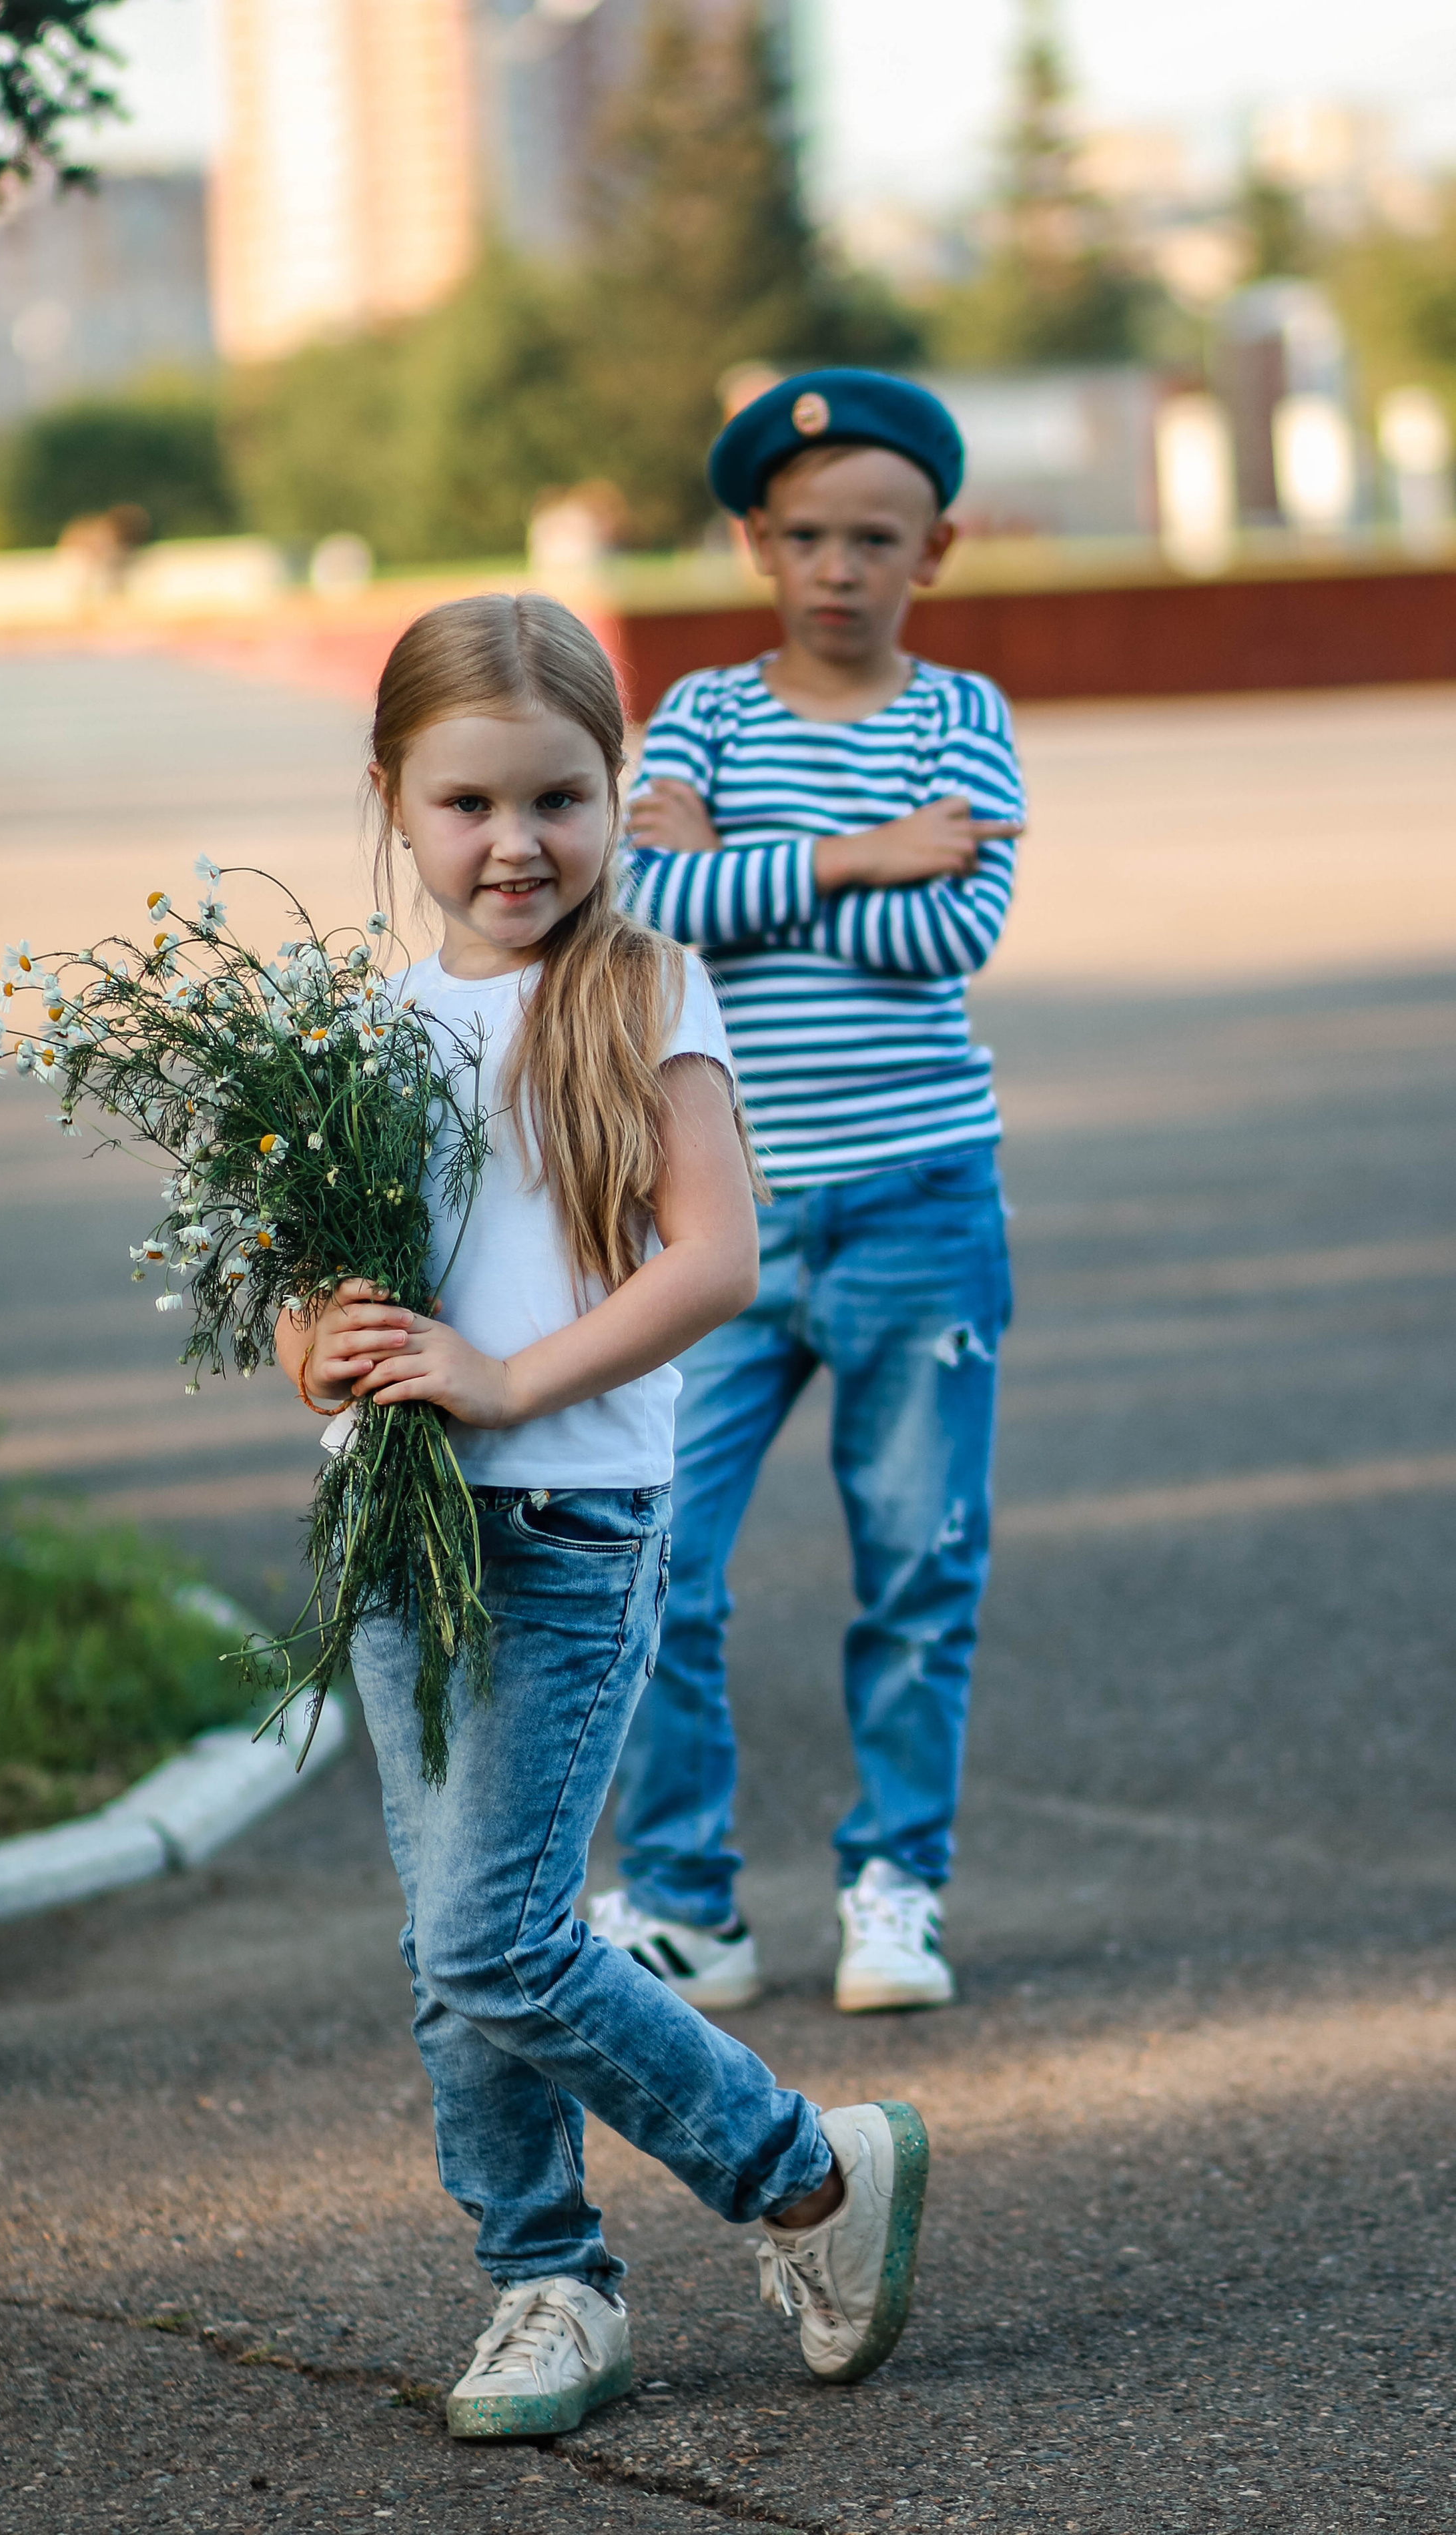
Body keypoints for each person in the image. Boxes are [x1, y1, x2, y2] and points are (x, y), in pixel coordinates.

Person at [274, 593, 930, 2441]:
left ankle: (804, 2172)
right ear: (393, 798)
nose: (516, 843)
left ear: (614, 793)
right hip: (397, 1530)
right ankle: (547, 2281)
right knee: (451, 1957)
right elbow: (303, 1296)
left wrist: (504, 1380)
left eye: (559, 799)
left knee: (495, 1938)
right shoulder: (362, 1023)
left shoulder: (641, 989)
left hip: (565, 1519)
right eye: (469, 802)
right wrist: (316, 1347)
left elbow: (713, 1258)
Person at [592, 370, 1025, 2018]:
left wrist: (741, 870)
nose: (837, 568)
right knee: (656, 1556)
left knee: (918, 1564)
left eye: (874, 539)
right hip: (717, 1223)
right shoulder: (699, 711)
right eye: (803, 537)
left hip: (921, 1203)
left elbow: (950, 933)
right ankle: (684, 1904)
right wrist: (856, 854)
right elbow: (648, 910)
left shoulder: (960, 718)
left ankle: (894, 1889)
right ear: (752, 544)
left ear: (935, 550)